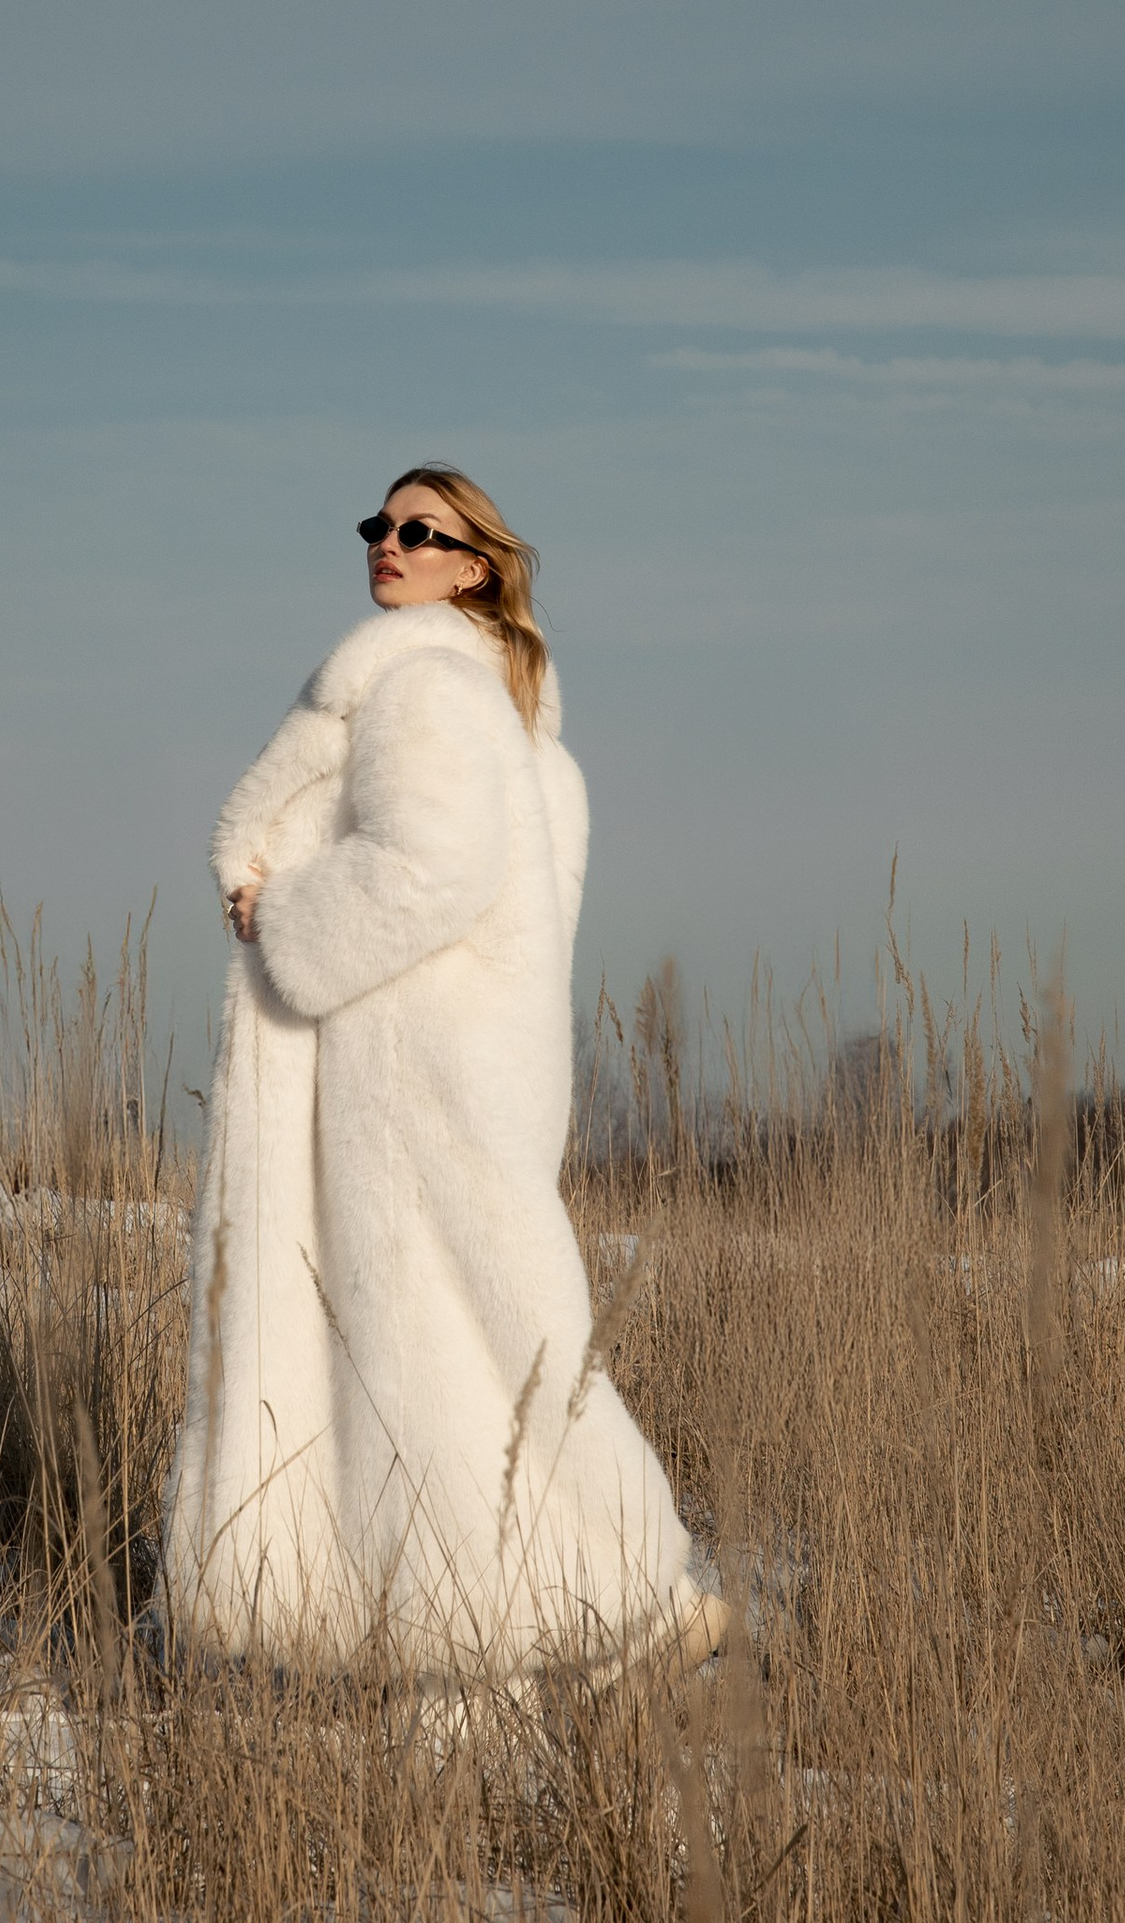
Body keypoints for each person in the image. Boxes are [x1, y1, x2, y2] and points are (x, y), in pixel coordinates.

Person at [162, 465, 726, 1681]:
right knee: (492, 1352)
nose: (389, 545)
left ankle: (512, 1641)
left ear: (473, 566)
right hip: (467, 1076)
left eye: (421, 532)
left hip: (397, 1076)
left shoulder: (419, 687)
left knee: (428, 1361)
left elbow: (428, 874)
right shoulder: (520, 730)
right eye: (379, 526)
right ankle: (593, 1606)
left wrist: (283, 913)